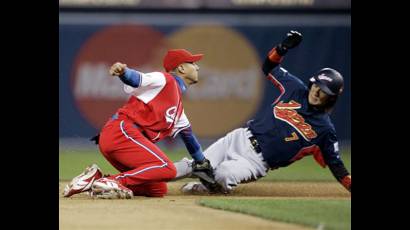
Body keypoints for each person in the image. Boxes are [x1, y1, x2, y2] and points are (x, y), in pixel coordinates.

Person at [173, 31, 351, 194]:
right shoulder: (295, 88)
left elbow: (336, 164)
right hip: (239, 138)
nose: (317, 93)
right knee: (197, 165)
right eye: (317, 86)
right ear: (312, 83)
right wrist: (281, 49)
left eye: (325, 92)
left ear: (332, 98)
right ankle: (154, 176)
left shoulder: (325, 129)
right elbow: (269, 67)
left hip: (257, 162)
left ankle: (204, 186)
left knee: (223, 175)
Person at [63, 49, 214, 199]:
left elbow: (189, 138)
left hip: (124, 140)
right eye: (193, 63)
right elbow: (136, 79)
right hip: (121, 132)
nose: (198, 67)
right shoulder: (164, 79)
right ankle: (114, 181)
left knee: (157, 188)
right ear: (181, 68)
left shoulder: (178, 109)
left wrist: (202, 162)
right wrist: (124, 72)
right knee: (167, 168)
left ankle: (94, 180)